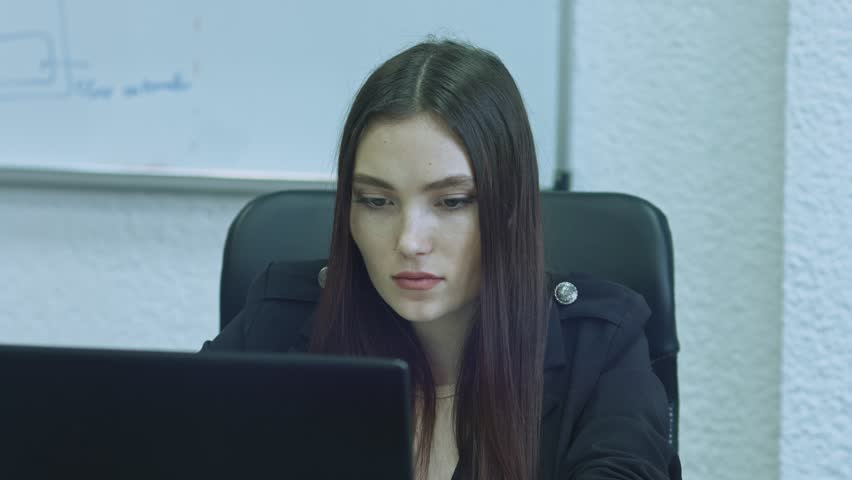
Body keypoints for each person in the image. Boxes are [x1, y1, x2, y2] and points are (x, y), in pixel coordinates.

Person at [201, 39, 682, 480]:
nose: (410, 241)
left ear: (510, 208)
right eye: (376, 201)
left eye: (452, 202)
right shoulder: (277, 322)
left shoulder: (600, 349)